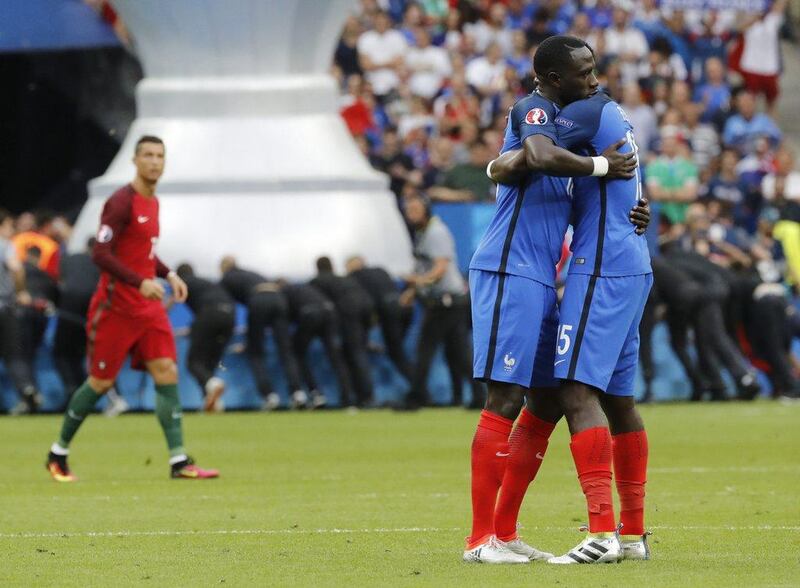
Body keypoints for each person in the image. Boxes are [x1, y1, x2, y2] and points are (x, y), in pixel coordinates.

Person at [489, 36, 653, 564]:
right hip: (629, 260)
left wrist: (495, 168)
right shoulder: (610, 114)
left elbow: (533, 152)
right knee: (619, 401)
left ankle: (602, 533)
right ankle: (632, 535)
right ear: (557, 76)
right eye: (585, 70)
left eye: (595, 67)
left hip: (600, 265)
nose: (595, 76)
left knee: (575, 391)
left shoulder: (580, 110)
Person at [45, 135, 218, 482]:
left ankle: (179, 460)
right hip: (116, 309)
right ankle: (58, 453)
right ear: (135, 161)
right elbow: (101, 254)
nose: (155, 162)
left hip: (147, 308)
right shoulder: (120, 203)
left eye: (160, 156)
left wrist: (168, 273)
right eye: (148, 155)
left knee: (167, 371)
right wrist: (139, 282)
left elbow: (144, 254)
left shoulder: (153, 203)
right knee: (101, 382)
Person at [400, 195, 482, 413]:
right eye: (408, 209)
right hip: (449, 300)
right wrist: (413, 290)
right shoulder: (423, 232)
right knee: (459, 353)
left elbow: (440, 268)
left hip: (445, 301)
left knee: (425, 349)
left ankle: (415, 397)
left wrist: (415, 282)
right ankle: (479, 395)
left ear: (426, 209)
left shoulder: (436, 232)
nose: (411, 213)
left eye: (415, 208)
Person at [219, 256, 307, 410]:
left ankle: (269, 396)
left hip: (258, 301)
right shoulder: (252, 273)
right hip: (279, 300)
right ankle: (297, 393)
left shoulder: (227, 278)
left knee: (255, 353)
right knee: (285, 350)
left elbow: (225, 304)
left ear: (223, 268)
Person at [311, 256, 376, 407]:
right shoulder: (345, 279)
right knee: (358, 353)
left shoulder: (317, 281)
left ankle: (359, 397)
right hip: (365, 308)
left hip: (348, 312)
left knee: (351, 355)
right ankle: (366, 397)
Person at [282, 280, 353, 408]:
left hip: (310, 314)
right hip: (330, 313)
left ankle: (312, 393)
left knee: (296, 353)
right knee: (336, 358)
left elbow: (285, 318)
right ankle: (348, 399)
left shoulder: (284, 292)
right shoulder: (307, 288)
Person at [176, 263, 235, 412]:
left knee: (193, 362)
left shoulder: (184, 281)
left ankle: (212, 385)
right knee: (209, 365)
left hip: (209, 315)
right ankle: (213, 404)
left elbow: (173, 300)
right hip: (229, 317)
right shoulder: (207, 283)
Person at [345, 255, 414, 383]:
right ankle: (420, 386)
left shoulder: (353, 278)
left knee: (396, 354)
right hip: (405, 308)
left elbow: (361, 307)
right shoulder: (380, 270)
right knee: (398, 349)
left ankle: (420, 391)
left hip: (388, 310)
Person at [0, 209, 42, 414]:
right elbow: (16, 268)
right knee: (14, 354)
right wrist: (21, 291)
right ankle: (27, 388)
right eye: (9, 226)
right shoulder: (5, 245)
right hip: (5, 308)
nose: (11, 230)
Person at [53, 238, 100, 404]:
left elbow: (59, 281)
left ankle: (73, 388)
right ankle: (83, 394)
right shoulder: (102, 262)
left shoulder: (70, 258)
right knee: (86, 354)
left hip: (68, 308)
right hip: (91, 311)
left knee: (62, 353)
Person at [13, 246, 58, 414]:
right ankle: (31, 392)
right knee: (29, 355)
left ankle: (28, 390)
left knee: (18, 355)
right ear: (39, 258)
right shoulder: (45, 276)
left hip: (18, 316)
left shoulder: (19, 271)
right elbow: (55, 297)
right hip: (39, 319)